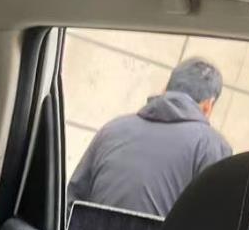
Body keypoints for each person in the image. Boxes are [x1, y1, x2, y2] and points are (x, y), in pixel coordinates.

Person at [66, 57, 232, 217]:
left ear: (164, 90)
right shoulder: (213, 147)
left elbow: (70, 204)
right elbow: (212, 222)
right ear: (208, 106)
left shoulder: (113, 129)